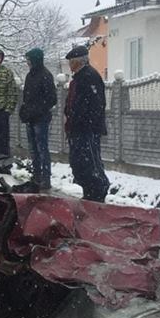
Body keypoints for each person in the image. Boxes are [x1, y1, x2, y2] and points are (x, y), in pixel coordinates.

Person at [64, 45, 110, 202]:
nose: (70, 66)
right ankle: (88, 191)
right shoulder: (79, 78)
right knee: (79, 162)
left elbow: (95, 105)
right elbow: (73, 104)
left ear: (79, 62)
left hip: (87, 129)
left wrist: (83, 122)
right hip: (77, 129)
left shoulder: (89, 76)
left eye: (72, 62)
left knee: (90, 161)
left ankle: (97, 191)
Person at [19, 48, 57, 190]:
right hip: (31, 117)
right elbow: (27, 97)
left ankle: (45, 178)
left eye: (29, 60)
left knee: (42, 149)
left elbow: (51, 99)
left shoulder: (45, 75)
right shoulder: (30, 76)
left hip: (41, 118)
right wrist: (24, 110)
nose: (27, 63)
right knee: (33, 149)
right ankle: (37, 175)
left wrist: (36, 110)